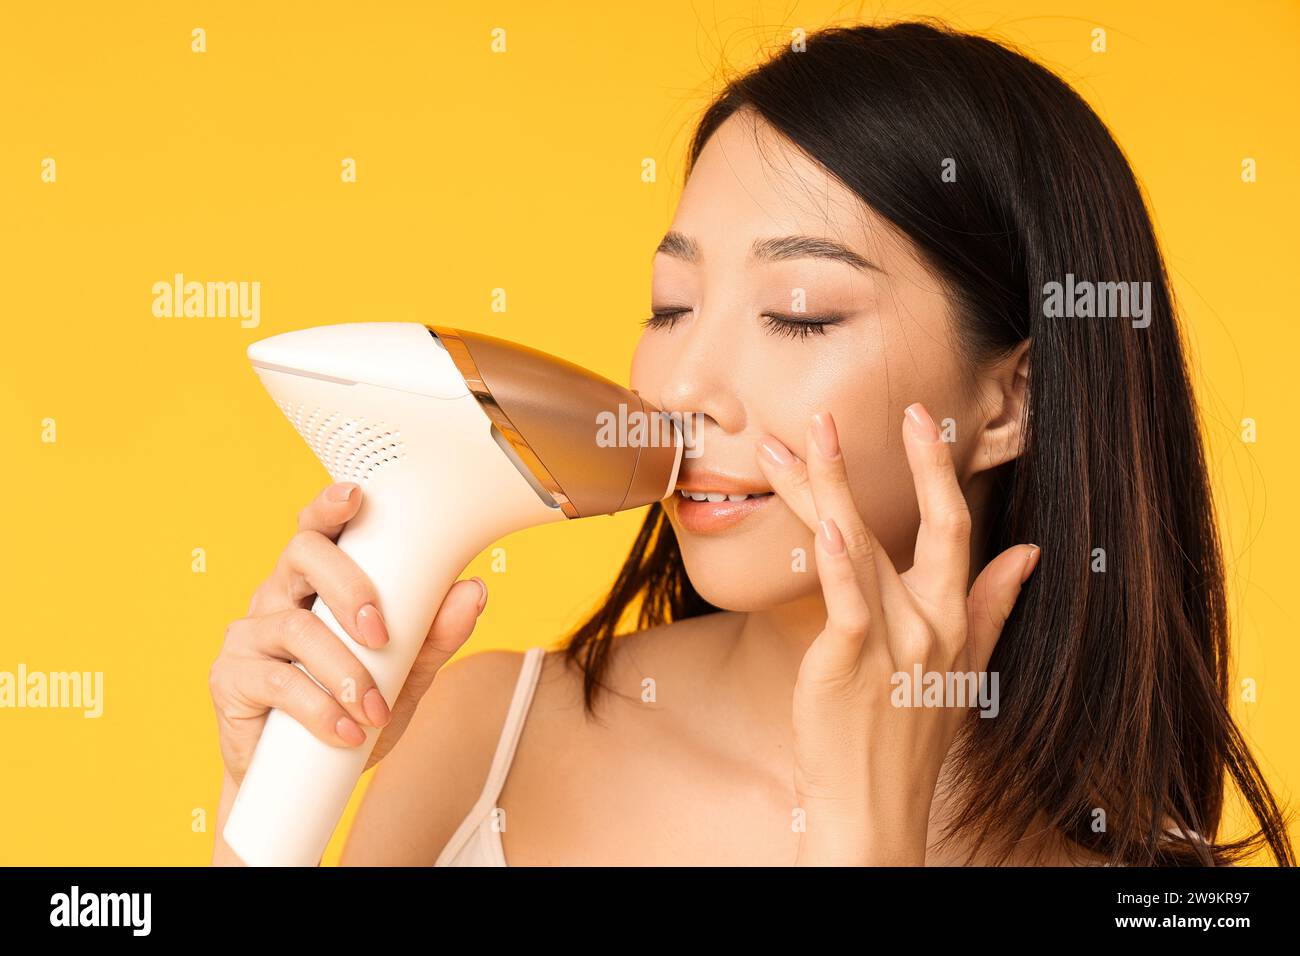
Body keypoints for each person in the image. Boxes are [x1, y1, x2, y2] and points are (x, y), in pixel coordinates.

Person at [210, 20, 1295, 866]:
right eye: (671, 305)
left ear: (1010, 404)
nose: (679, 387)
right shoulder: (484, 732)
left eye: (799, 314)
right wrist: (261, 811)